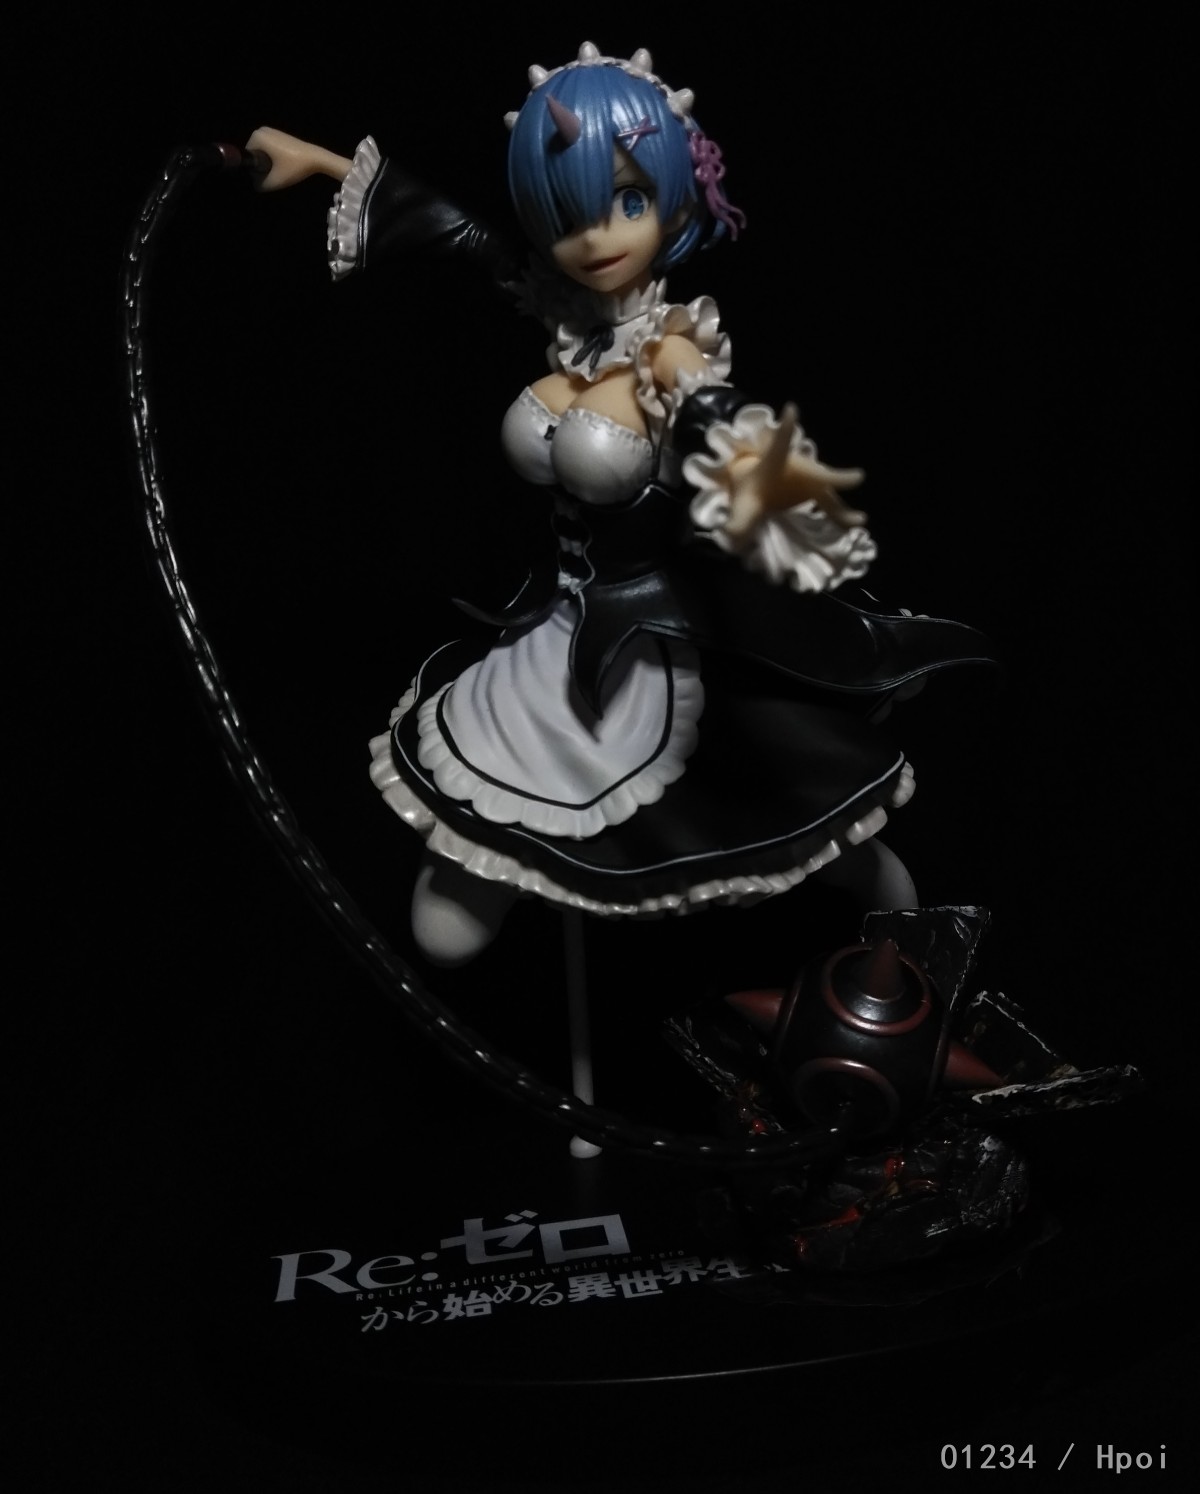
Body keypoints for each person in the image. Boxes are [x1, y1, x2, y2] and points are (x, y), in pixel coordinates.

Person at [246, 43, 996, 967]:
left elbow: (720, 419)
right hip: (557, 628)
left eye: (629, 202)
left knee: (765, 798)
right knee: (478, 855)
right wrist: (319, 163)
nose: (597, 236)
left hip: (651, 640)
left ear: (674, 201)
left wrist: (773, 496)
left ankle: (865, 885)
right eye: (567, 213)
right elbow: (465, 237)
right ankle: (495, 873)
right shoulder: (568, 315)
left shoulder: (669, 349)